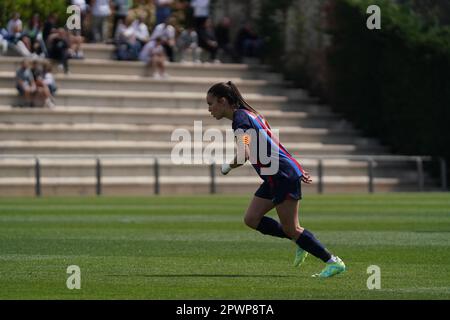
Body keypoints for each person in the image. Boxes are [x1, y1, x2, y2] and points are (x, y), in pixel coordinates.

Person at [206, 81, 346, 278]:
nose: (209, 109)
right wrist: (295, 165)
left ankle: (332, 261)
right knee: (252, 219)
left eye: (210, 104)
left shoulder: (240, 119)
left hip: (281, 176)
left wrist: (227, 167)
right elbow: (273, 143)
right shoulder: (250, 115)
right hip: (276, 175)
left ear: (222, 101)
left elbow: (243, 153)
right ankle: (300, 240)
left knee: (292, 228)